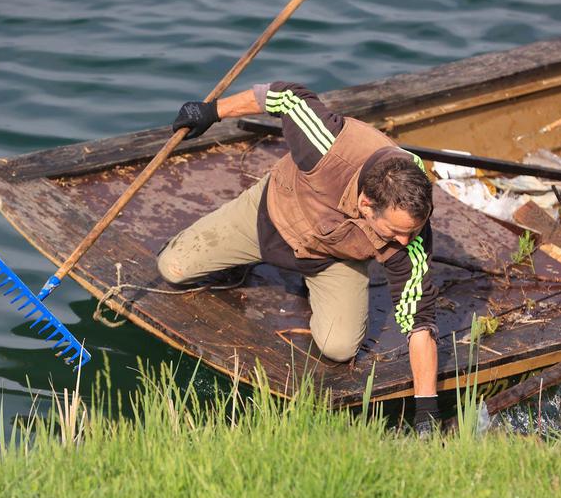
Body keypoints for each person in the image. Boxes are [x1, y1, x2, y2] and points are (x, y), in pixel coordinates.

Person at [157, 82, 439, 434]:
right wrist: (211, 111)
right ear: (367, 204)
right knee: (173, 267)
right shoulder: (327, 147)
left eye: (413, 231)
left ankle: (312, 281)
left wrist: (426, 408)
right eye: (395, 233)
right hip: (269, 216)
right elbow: (285, 96)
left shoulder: (410, 235)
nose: (404, 241)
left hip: (332, 258)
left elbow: (418, 323)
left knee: (338, 347)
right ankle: (237, 260)